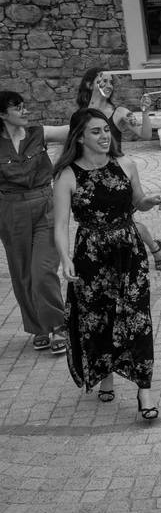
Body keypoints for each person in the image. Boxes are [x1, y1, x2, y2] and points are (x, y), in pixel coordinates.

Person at [52, 108, 161, 417]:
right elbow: (60, 225)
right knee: (98, 318)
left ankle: (145, 391)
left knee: (137, 318)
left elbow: (137, 202)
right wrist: (65, 259)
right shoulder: (66, 175)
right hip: (90, 255)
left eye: (105, 130)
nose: (104, 136)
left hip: (128, 251)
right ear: (79, 137)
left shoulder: (126, 164)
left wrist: (149, 201)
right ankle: (106, 376)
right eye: (95, 132)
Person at [76, 67, 161, 271]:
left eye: (111, 82)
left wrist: (144, 112)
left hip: (116, 175)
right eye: (103, 81)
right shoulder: (79, 116)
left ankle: (154, 248)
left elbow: (145, 135)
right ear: (90, 84)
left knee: (126, 220)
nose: (108, 85)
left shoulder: (119, 113)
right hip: (90, 174)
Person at [0, 91, 69, 355]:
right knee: (22, 273)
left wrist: (96, 103)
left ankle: (59, 325)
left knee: (43, 271)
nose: (24, 111)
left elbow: (74, 129)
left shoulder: (38, 133)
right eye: (17, 108)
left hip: (44, 206)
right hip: (10, 210)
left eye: (24, 105)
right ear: (3, 114)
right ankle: (39, 326)